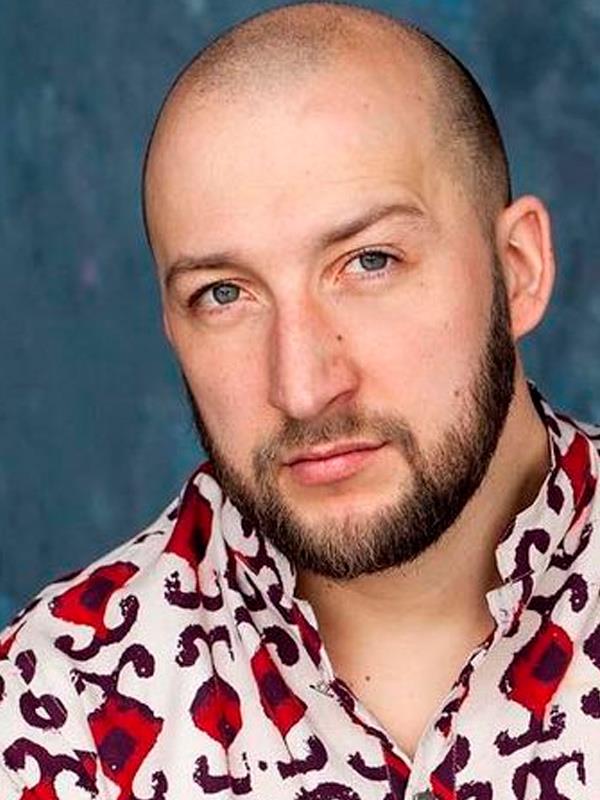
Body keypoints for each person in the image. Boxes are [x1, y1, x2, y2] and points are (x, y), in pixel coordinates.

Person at [1, 3, 598, 798]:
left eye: (370, 262)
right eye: (224, 293)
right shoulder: (54, 706)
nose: (304, 389)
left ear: (518, 269)